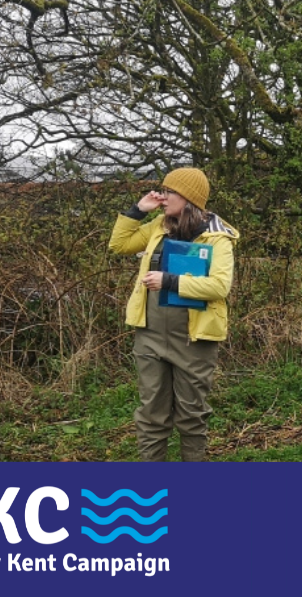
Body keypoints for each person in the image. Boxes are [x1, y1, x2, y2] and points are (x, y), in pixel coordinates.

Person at [109, 167, 239, 461]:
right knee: (151, 414)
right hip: (150, 335)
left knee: (192, 416)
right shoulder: (159, 225)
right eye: (163, 191)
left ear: (189, 197)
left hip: (193, 339)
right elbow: (119, 245)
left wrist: (170, 281)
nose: (163, 197)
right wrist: (138, 210)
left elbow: (219, 286)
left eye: (170, 192)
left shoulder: (217, 237)